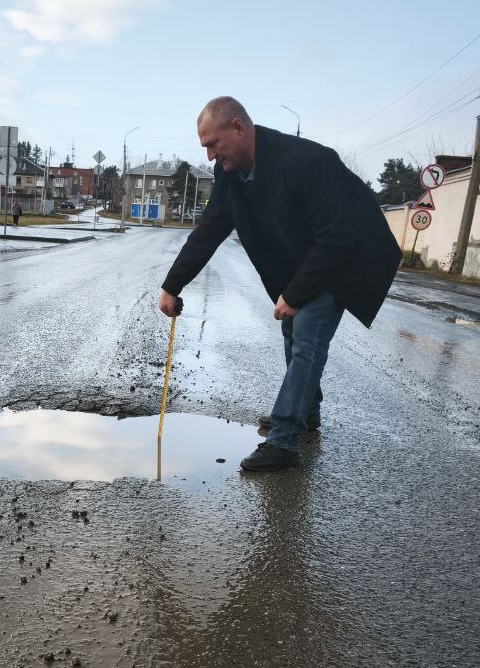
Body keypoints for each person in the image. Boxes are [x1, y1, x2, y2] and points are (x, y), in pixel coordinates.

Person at [158, 96, 401, 472]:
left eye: (212, 144)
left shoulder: (306, 162)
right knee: (292, 328)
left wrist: (296, 293)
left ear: (238, 128)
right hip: (309, 255)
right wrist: (173, 285)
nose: (209, 156)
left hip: (347, 257)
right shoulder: (231, 174)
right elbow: (209, 232)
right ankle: (306, 412)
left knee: (306, 332)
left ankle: (284, 441)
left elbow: (338, 237)